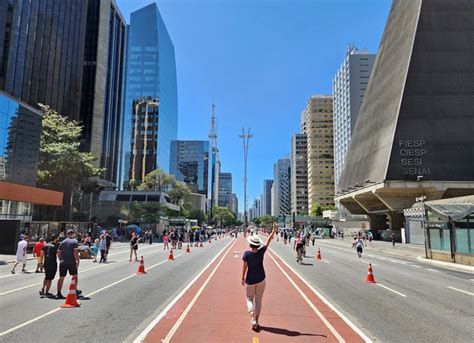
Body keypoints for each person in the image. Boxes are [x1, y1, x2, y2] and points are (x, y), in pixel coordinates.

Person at [241, 224, 277, 330]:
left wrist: (242, 278)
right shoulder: (261, 252)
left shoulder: (247, 254)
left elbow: (244, 268)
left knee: (249, 299)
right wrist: (274, 231)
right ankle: (256, 320)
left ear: (250, 244)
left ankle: (252, 318)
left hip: (250, 280)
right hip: (261, 279)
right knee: (258, 301)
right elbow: (268, 241)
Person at [56, 230, 80, 299]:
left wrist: (61, 260)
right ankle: (74, 290)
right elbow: (75, 253)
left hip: (63, 263)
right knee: (75, 276)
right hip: (71, 262)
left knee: (61, 277)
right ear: (72, 234)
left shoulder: (62, 242)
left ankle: (59, 292)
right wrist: (77, 260)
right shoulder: (75, 241)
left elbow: (58, 252)